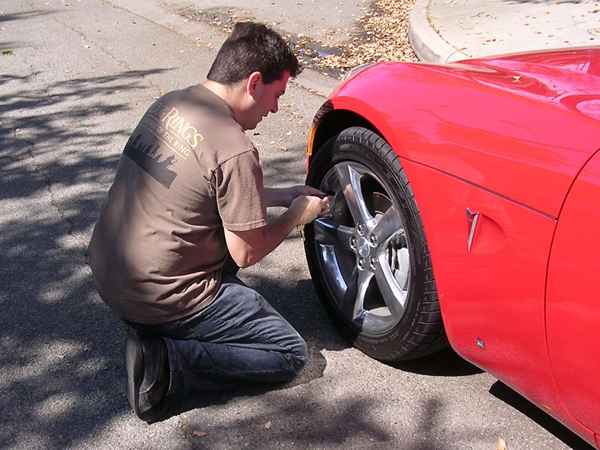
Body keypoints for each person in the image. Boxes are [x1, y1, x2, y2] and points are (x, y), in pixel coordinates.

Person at [87, 22, 330, 423]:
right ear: (254, 83)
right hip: (163, 298)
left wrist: (278, 195)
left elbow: (195, 186)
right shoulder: (234, 147)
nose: (274, 108)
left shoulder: (171, 104)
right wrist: (295, 215)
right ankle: (166, 363)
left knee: (228, 230)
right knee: (289, 353)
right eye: (277, 95)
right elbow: (246, 251)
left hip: (111, 273)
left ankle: (160, 330)